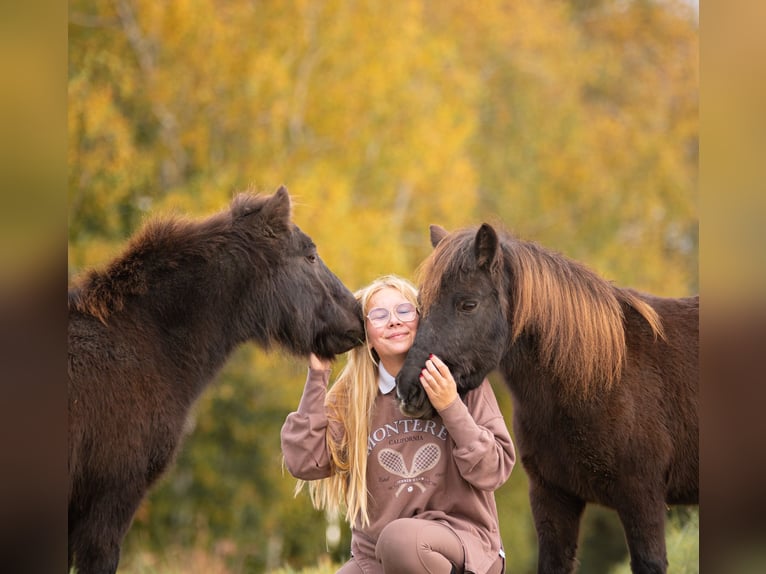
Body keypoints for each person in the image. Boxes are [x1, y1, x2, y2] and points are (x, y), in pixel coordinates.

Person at [281, 275, 515, 574]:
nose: (394, 321)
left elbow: (493, 470)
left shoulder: (459, 381)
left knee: (401, 540)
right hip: (378, 558)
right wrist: (318, 373)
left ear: (422, 320)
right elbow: (304, 462)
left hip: (462, 546)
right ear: (364, 333)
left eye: (404, 311)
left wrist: (449, 406)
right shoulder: (351, 399)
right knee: (388, 545)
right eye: (379, 315)